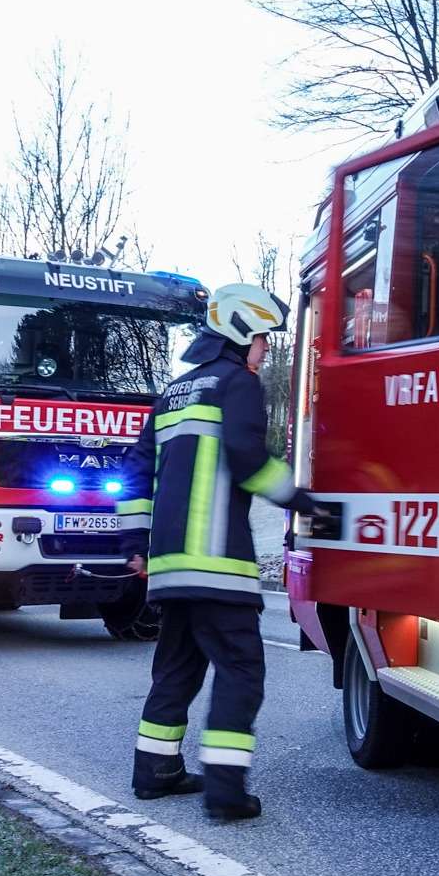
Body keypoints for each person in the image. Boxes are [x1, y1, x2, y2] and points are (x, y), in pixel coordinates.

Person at [117, 283, 319, 821]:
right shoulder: (237, 384)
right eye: (261, 338)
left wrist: (136, 545)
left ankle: (154, 772)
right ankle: (226, 791)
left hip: (169, 568)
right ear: (237, 335)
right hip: (218, 568)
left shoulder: (173, 392)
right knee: (241, 671)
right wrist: (306, 502)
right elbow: (249, 460)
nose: (265, 349)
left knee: (177, 669)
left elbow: (135, 475)